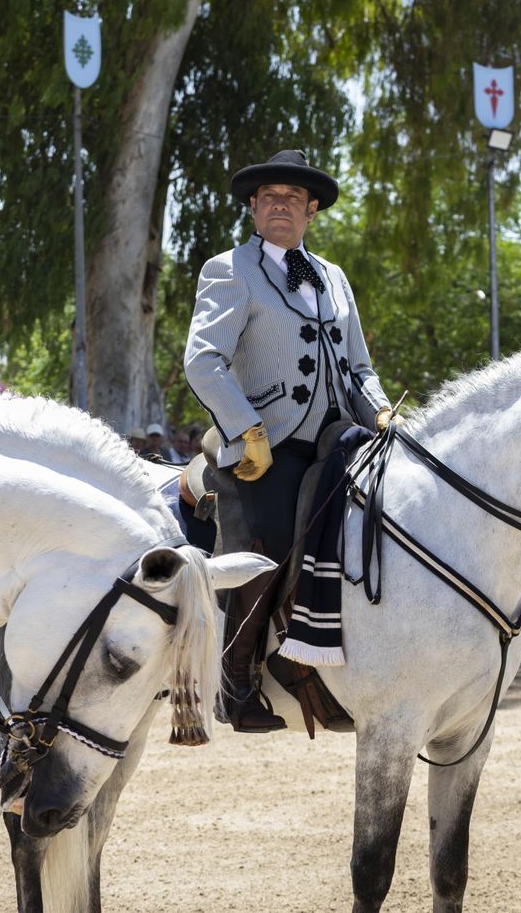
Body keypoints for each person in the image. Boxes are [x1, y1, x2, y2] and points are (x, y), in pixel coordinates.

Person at [184, 149, 394, 732]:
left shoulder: (335, 277)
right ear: (253, 208)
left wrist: (381, 413)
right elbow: (204, 360)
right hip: (267, 445)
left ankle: (330, 657)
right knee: (271, 546)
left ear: (312, 210)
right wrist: (245, 427)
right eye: (270, 196)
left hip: (341, 437)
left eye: (293, 197)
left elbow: (359, 368)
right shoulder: (229, 269)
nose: (281, 204)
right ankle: (233, 676)